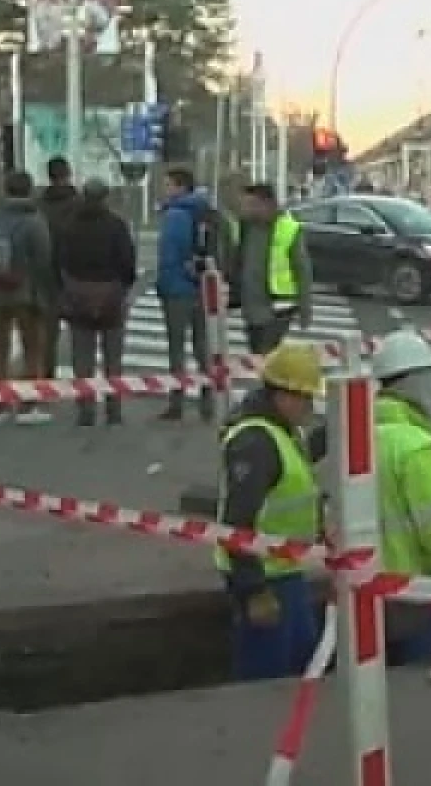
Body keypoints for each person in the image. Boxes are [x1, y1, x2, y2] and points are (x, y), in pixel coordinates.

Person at [215, 340, 326, 682]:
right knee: (266, 677)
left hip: (286, 570)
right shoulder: (257, 442)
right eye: (305, 398)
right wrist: (254, 591)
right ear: (283, 395)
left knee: (299, 659)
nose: (309, 407)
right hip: (264, 577)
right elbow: (238, 522)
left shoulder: (281, 432)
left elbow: (294, 479)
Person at [365, 330, 431, 664]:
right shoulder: (416, 446)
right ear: (415, 383)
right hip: (421, 594)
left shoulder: (358, 436)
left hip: (367, 591)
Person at [53, 178, 137, 429]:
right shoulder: (116, 226)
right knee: (113, 358)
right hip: (111, 296)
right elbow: (127, 263)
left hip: (77, 296)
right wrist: (121, 287)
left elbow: (59, 262)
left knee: (82, 358)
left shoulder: (68, 226)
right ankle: (114, 411)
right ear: (106, 197)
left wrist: (69, 288)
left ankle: (85, 411)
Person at [0, 170, 59, 423]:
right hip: (26, 293)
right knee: (32, 348)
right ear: (29, 190)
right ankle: (28, 405)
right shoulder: (34, 220)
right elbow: (44, 258)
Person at [156, 167, 220, 423]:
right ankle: (208, 402)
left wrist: (165, 282)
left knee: (177, 349)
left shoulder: (175, 215)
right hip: (201, 286)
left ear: (181, 187)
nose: (165, 190)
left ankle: (177, 402)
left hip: (177, 288)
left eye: (169, 185)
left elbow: (171, 253)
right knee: (203, 347)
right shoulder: (204, 211)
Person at [228, 183, 313, 354]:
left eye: (252, 204)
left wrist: (305, 307)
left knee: (266, 350)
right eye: (245, 204)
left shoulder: (288, 228)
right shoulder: (245, 226)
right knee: (257, 352)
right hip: (251, 305)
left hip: (279, 303)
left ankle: (271, 379)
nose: (247, 209)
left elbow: (302, 269)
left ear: (267, 204)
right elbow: (237, 261)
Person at [36, 156, 82, 379]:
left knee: (46, 335)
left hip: (44, 277)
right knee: (82, 334)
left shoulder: (38, 206)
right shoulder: (80, 205)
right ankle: (83, 379)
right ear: (68, 173)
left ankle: (45, 379)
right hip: (76, 276)